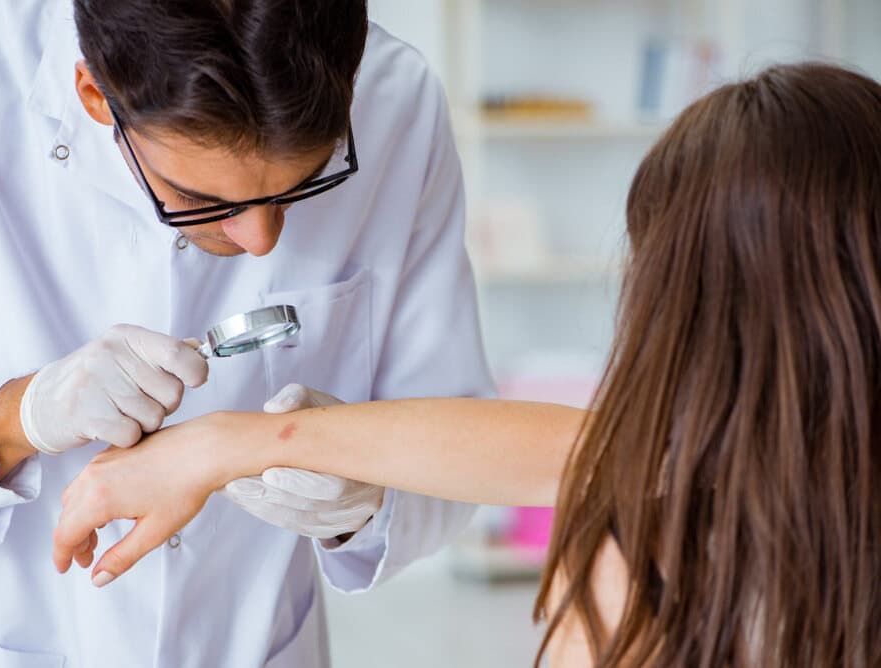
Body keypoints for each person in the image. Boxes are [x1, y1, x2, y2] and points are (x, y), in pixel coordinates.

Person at [55, 63, 881, 668]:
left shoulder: (633, 572)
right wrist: (247, 442)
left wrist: (238, 444)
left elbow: (613, 455)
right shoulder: (718, 492)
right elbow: (615, 450)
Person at [0, 1, 495, 666]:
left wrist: (364, 497)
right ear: (92, 92)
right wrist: (18, 416)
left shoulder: (396, 95)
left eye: (305, 186)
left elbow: (462, 446)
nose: (262, 241)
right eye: (204, 200)